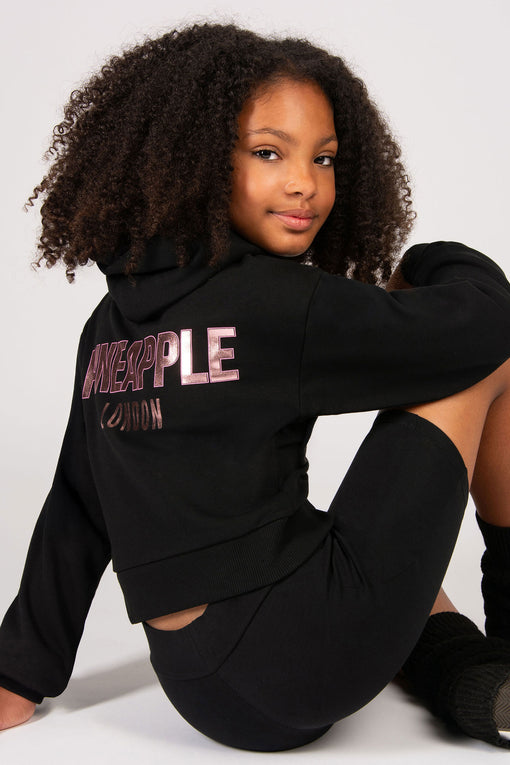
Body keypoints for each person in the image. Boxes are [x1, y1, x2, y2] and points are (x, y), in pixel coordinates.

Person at [1, 21, 510, 751]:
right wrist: (429, 263)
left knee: (361, 550)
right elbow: (491, 324)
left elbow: (78, 504)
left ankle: (470, 677)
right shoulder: (276, 303)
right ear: (198, 158)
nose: (305, 183)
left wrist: (17, 672)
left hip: (201, 690)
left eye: (324, 158)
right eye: (269, 152)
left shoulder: (111, 325)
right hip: (308, 654)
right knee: (486, 359)